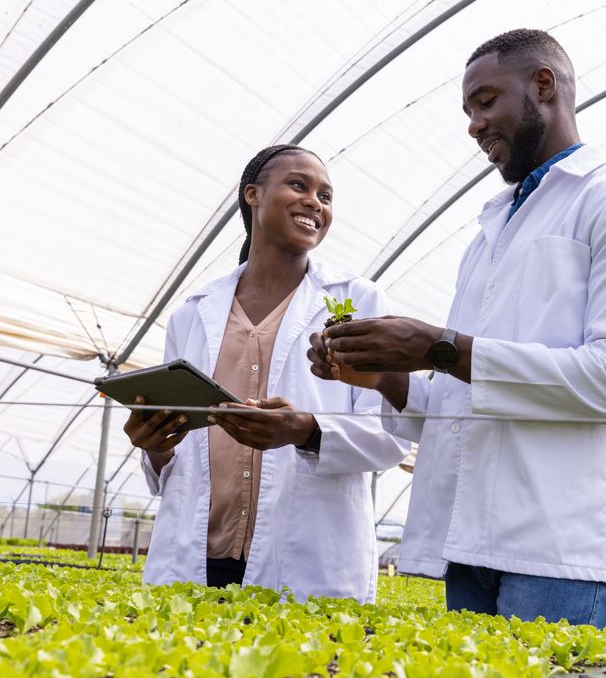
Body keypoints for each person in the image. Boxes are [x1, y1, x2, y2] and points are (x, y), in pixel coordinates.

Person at [308, 29, 606, 628]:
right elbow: (463, 390)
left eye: (485, 102)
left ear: (544, 85)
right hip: (471, 544)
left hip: (562, 551)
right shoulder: (492, 231)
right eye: (468, 111)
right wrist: (384, 376)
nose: (474, 125)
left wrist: (437, 346)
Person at [124, 144, 408, 601]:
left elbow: (393, 434)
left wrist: (306, 431)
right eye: (299, 185)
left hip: (302, 559)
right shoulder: (192, 314)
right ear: (252, 195)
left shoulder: (358, 301)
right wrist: (154, 446)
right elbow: (177, 460)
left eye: (326, 196)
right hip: (197, 555)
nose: (315, 202)